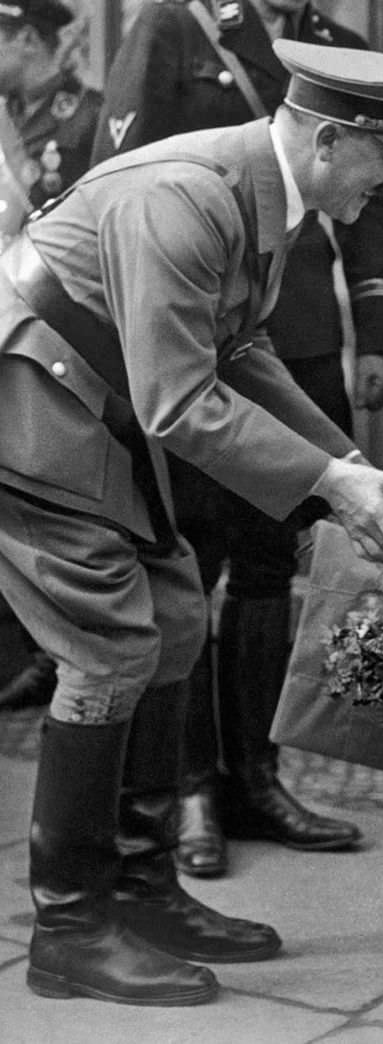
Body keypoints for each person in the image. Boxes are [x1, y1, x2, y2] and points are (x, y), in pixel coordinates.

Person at [0, 39, 383, 1006]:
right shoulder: (189, 195)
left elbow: (238, 348)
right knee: (113, 642)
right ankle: (71, 931)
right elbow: (178, 401)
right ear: (332, 140)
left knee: (171, 621)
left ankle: (145, 892)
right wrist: (332, 486)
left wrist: (349, 466)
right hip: (31, 411)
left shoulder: (255, 191)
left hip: (89, 404)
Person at [91, 0, 383, 876]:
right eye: (375, 168)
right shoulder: (176, 32)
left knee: (270, 565)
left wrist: (346, 458)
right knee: (181, 576)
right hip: (170, 336)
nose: (378, 189)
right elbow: (125, 182)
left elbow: (349, 231)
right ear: (326, 142)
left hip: (275, 331)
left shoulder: (337, 59)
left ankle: (252, 780)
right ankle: (181, 799)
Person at [0, 0, 102, 708]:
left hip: (53, 336)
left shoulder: (85, 113)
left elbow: (68, 219)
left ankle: (56, 644)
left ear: (27, 38)